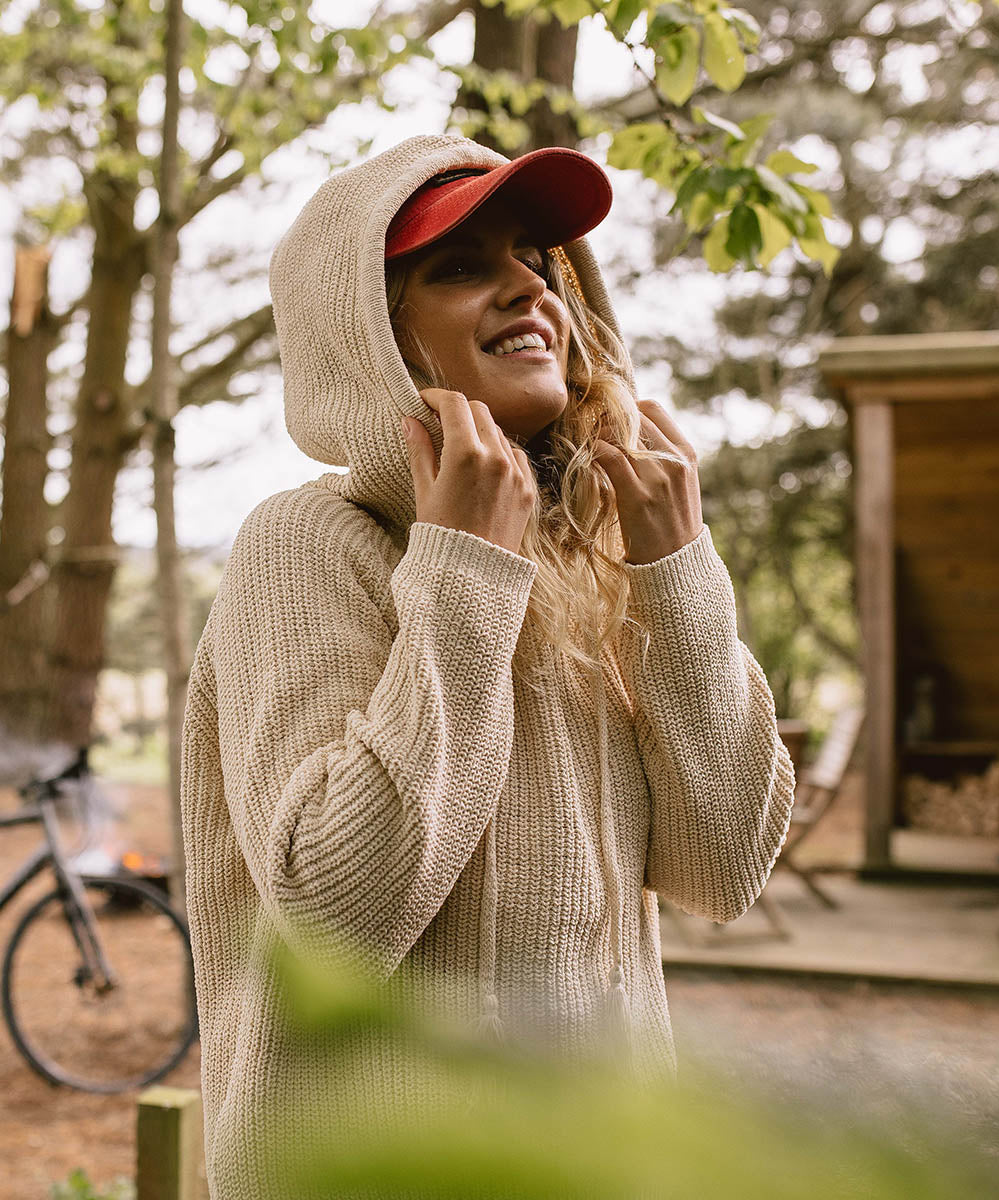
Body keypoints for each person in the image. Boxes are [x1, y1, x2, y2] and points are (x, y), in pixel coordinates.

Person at [181, 133, 796, 1200]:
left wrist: (678, 570)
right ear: (372, 338)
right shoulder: (307, 544)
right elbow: (333, 922)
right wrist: (464, 569)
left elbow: (722, 870)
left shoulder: (592, 557)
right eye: (461, 266)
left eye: (537, 260)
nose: (528, 288)